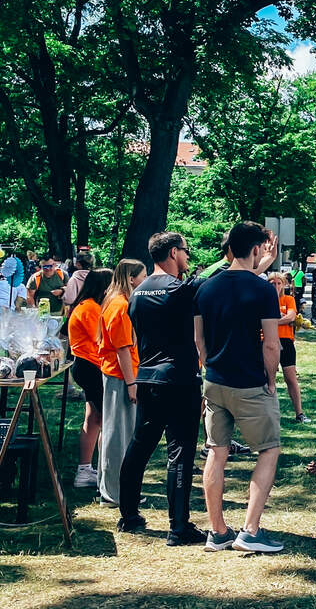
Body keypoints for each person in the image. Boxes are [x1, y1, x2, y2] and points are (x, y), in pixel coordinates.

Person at [195, 222, 284, 553]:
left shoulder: (205, 287)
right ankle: (250, 531)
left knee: (216, 452)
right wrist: (271, 380)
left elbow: (198, 341)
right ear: (256, 249)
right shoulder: (263, 290)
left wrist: (210, 365)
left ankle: (217, 532)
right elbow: (271, 344)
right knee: (269, 450)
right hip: (250, 383)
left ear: (230, 248)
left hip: (215, 381)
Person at [116, 232, 209, 544]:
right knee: (180, 451)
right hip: (178, 379)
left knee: (139, 446)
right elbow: (218, 276)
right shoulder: (178, 289)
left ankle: (128, 515)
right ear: (173, 252)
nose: (188, 256)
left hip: (147, 378)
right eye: (185, 250)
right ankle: (179, 527)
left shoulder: (137, 292)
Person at [97, 259, 148, 506]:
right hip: (120, 376)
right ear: (131, 279)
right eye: (143, 276)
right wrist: (131, 384)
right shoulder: (120, 305)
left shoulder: (117, 301)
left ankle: (110, 488)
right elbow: (122, 349)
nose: (145, 281)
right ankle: (115, 493)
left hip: (117, 375)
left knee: (115, 432)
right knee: (119, 435)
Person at [67, 268, 112, 489]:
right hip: (91, 366)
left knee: (94, 418)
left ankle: (85, 470)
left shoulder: (86, 305)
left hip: (87, 366)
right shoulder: (90, 308)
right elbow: (102, 338)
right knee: (108, 420)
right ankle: (105, 472)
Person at [268, 272, 308, 423]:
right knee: (269, 379)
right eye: (273, 283)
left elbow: (291, 316)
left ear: (284, 284)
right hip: (267, 341)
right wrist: (280, 320)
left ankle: (299, 413)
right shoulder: (264, 300)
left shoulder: (289, 299)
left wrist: (271, 322)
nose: (276, 286)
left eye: (279, 283)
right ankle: (269, 414)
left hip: (286, 341)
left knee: (291, 378)